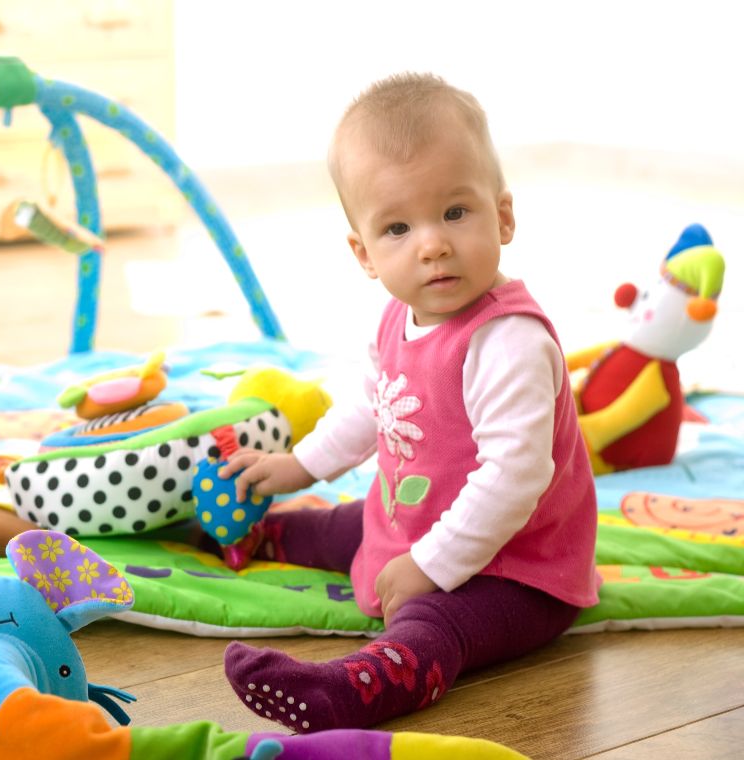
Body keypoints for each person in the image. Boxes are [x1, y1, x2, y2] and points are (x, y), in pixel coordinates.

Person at [217, 72, 600, 732]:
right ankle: (254, 531)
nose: (432, 243)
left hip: (515, 567)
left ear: (503, 215)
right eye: (398, 227)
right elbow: (374, 408)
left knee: (437, 621)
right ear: (363, 253)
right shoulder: (399, 316)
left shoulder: (507, 340)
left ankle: (358, 686)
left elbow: (516, 478)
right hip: (414, 521)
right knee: (338, 524)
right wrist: (297, 467)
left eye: (455, 212)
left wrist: (431, 564)